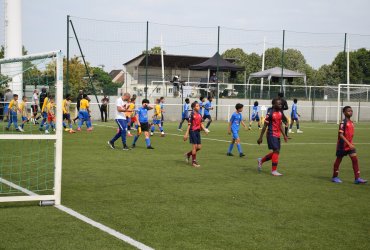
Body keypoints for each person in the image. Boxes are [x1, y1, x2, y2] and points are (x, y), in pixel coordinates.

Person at [332, 106, 367, 184]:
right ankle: (334, 177)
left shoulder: (351, 122)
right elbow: (341, 135)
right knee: (339, 160)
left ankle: (357, 178)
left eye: (351, 111)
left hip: (350, 145)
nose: (350, 112)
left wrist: (351, 143)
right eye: (348, 111)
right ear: (344, 112)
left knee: (355, 160)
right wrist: (348, 143)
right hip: (342, 145)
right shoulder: (343, 122)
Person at [257, 98, 288, 176]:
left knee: (276, 152)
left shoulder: (280, 113)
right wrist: (260, 137)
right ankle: (274, 171)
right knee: (276, 151)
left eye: (281, 104)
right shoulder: (270, 113)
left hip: (277, 135)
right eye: (279, 104)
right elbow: (264, 126)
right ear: (274, 104)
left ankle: (261, 160)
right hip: (271, 134)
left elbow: (280, 124)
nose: (281, 105)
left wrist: (284, 135)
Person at [183, 101, 208, 168]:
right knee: (194, 146)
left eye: (198, 106)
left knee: (199, 147)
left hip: (197, 131)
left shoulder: (200, 114)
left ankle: (188, 154)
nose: (198, 107)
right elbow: (189, 125)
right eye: (197, 106)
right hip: (192, 131)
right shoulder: (191, 114)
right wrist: (186, 134)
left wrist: (205, 129)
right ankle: (194, 162)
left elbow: (201, 123)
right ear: (194, 107)